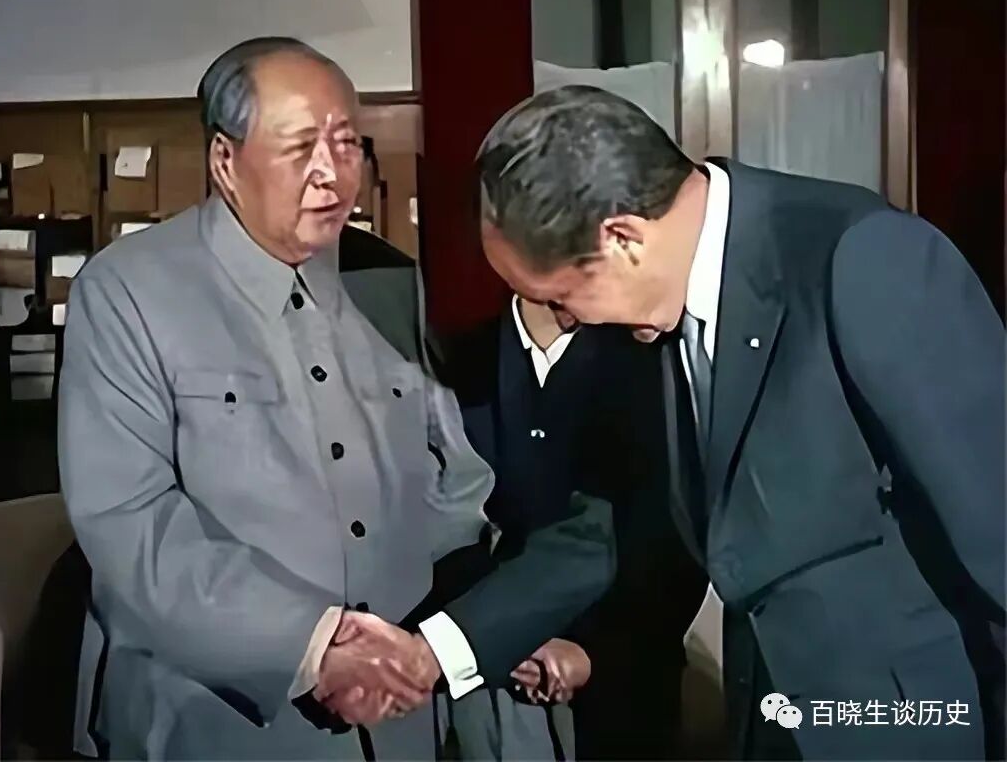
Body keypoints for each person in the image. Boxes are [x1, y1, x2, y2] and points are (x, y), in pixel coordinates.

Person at [57, 40, 615, 760]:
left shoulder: (390, 284)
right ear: (225, 160)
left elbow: (456, 487)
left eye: (347, 143)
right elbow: (132, 524)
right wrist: (312, 646)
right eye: (299, 147)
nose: (331, 171)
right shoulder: (128, 292)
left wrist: (488, 626)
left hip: (400, 712)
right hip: (220, 717)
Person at [472, 84, 1006, 760]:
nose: (568, 321)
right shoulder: (652, 321)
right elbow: (612, 524)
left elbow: (996, 537)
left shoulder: (864, 257)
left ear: (623, 238)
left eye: (560, 297)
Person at [436, 296, 706, 760]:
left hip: (628, 682)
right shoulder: (454, 360)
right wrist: (505, 635)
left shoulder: (658, 359)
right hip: (495, 684)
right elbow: (439, 523)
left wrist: (594, 655)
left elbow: (677, 541)